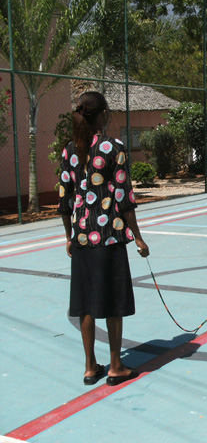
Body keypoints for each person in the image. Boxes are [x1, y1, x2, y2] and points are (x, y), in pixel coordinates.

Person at [58, 91, 149, 386]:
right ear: (103, 115)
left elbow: (65, 200)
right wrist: (138, 238)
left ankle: (89, 366)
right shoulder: (114, 148)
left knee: (84, 302)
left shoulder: (70, 150)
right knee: (112, 301)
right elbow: (124, 198)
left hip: (82, 237)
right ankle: (115, 366)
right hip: (108, 237)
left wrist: (70, 236)